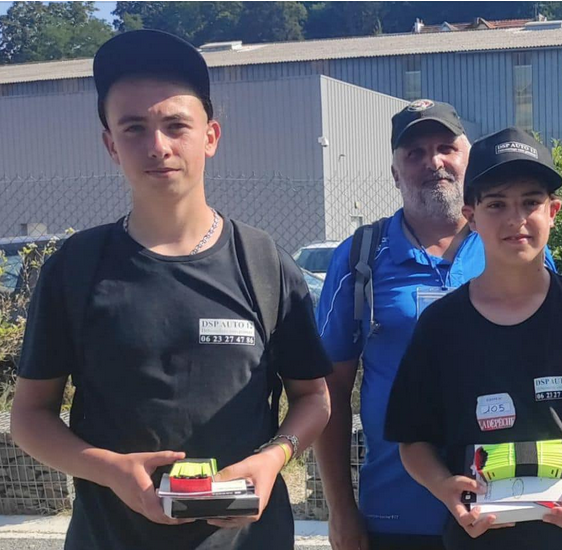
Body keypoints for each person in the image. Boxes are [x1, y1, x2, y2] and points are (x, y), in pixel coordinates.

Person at [10, 30, 332, 549]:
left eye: (175, 124)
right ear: (111, 145)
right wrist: (110, 469)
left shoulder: (264, 263)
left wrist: (274, 458)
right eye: (134, 128)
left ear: (211, 136)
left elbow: (313, 398)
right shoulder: (76, 268)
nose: (157, 146)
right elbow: (28, 415)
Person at [384, 127, 562, 549]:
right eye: (497, 204)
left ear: (554, 211)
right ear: (470, 214)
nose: (515, 219)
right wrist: (444, 486)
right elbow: (412, 440)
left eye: (530, 202)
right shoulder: (441, 326)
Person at [315, 101, 556, 550]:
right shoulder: (359, 258)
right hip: (397, 511)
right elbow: (328, 394)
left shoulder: (519, 246)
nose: (434, 162)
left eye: (446, 147)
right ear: (394, 172)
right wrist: (341, 510)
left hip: (507, 502)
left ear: (468, 160)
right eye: (415, 152)